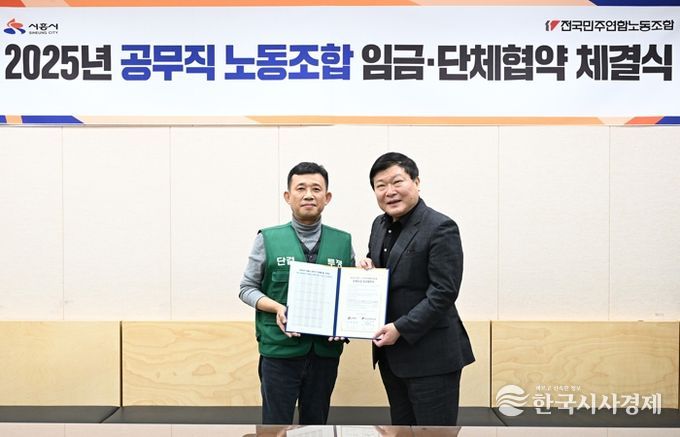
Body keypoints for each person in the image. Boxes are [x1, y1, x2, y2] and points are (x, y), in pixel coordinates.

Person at [359, 152, 475, 426]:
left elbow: (443, 292)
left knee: (433, 433)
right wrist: (367, 266)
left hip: (432, 358)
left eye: (397, 181)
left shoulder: (440, 227)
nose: (389, 191)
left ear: (417, 182)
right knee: (401, 430)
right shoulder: (379, 225)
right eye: (380, 185)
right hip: (392, 357)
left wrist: (400, 328)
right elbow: (385, 269)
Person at [239, 162, 354, 425]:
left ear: (327, 197)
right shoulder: (267, 238)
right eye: (301, 188)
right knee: (275, 425)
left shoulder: (343, 241)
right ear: (288, 196)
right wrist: (277, 308)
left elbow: (348, 295)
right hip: (279, 351)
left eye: (316, 189)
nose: (308, 195)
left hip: (324, 353)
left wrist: (346, 322)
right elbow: (246, 289)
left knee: (316, 425)